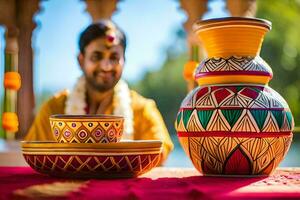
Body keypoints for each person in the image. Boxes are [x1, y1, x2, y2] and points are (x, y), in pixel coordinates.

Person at [25, 20, 173, 163]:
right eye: (97, 57)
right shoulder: (54, 110)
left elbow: (161, 150)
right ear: (81, 60)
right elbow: (34, 152)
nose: (106, 66)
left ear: (124, 61)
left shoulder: (141, 109)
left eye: (114, 57)